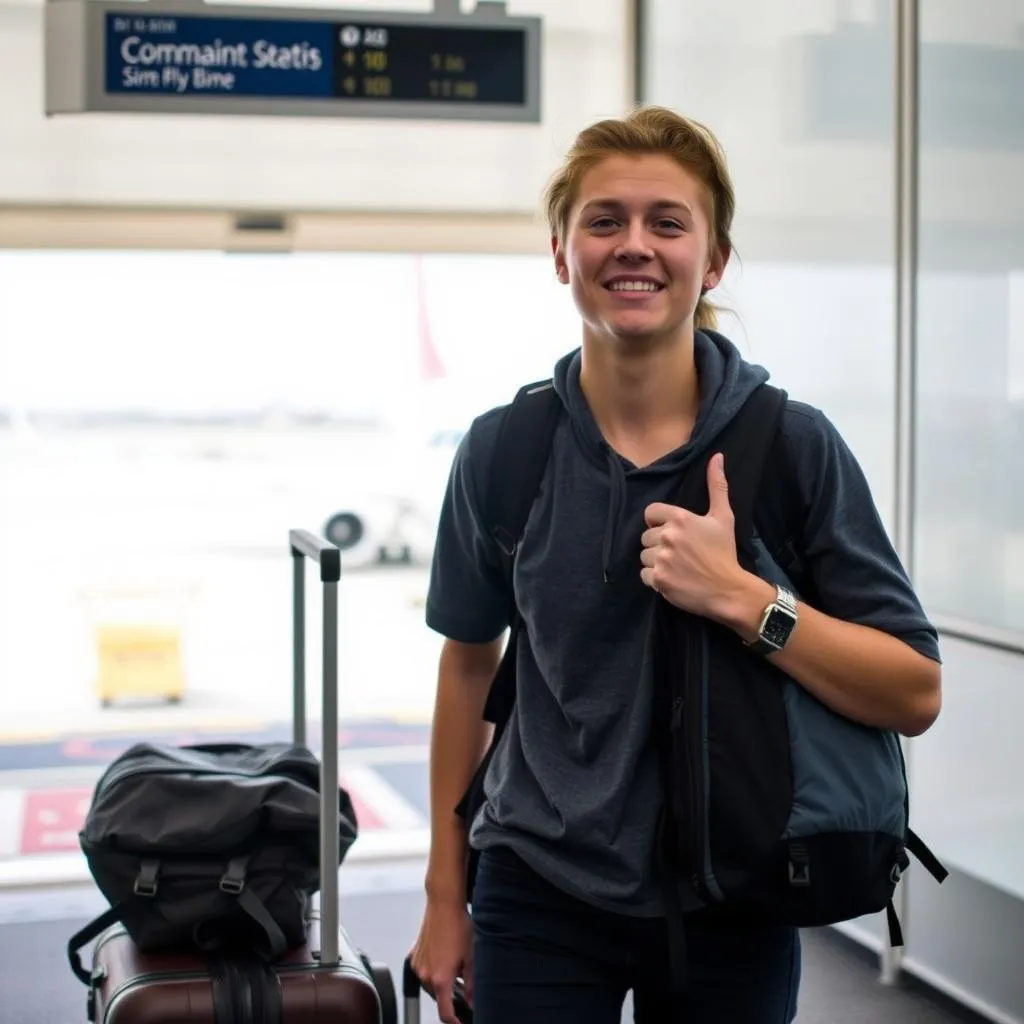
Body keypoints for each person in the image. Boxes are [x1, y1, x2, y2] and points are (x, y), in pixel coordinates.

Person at [408, 105, 942, 1023]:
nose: (634, 246)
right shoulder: (506, 451)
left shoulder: (792, 447)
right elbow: (467, 664)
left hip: (735, 892)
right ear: (561, 251)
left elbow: (913, 691)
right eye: (604, 220)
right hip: (537, 886)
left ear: (715, 259)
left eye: (668, 222)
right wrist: (442, 897)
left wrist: (746, 600)